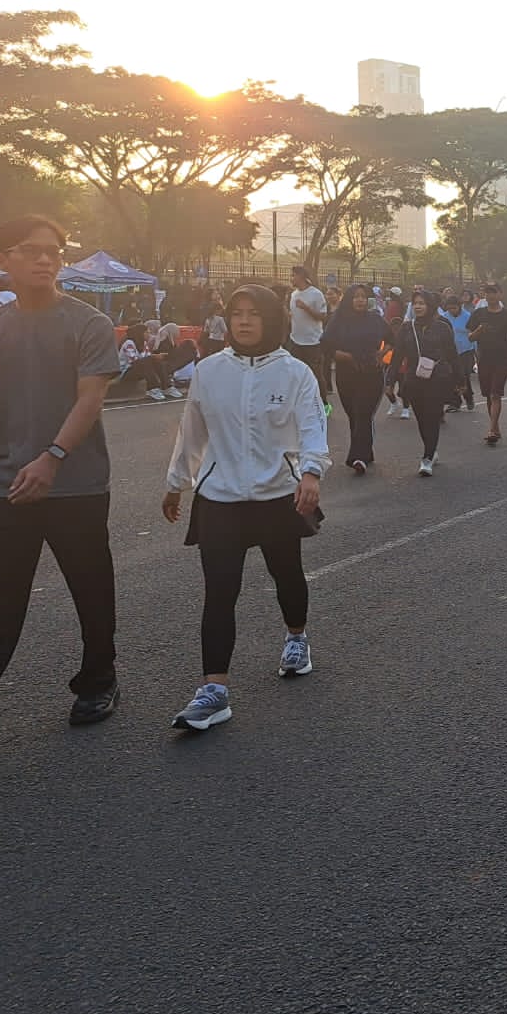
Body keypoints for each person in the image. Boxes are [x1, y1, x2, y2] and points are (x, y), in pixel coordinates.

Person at [0, 216, 122, 756]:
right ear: (2, 259)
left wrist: (52, 458)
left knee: (90, 586)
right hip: (2, 484)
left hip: (76, 484)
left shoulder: (88, 323)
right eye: (31, 250)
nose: (45, 259)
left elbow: (90, 398)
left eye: (54, 251)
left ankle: (99, 679)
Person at [160, 284, 328, 732]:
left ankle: (296, 638)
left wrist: (311, 472)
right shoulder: (209, 370)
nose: (245, 321)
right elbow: (192, 431)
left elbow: (314, 424)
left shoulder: (295, 373)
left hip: (278, 496)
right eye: (237, 313)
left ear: (272, 320)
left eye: (255, 313)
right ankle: (214, 691)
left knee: (286, 574)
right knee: (219, 591)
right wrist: (176, 483)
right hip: (220, 498)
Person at [390, 289, 459, 476]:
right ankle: (431, 450)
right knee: (421, 418)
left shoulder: (442, 327)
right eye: (415, 303)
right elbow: (397, 356)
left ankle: (427, 457)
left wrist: (459, 380)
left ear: (430, 306)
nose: (418, 306)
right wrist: (390, 380)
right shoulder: (406, 328)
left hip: (437, 378)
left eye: (422, 303)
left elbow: (452, 354)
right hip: (414, 379)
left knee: (432, 416)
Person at [323, 284, 391, 474]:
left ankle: (357, 457)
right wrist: (344, 356)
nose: (360, 300)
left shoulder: (375, 319)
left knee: (363, 412)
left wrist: (382, 353)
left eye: (363, 297)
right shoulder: (339, 320)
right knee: (354, 415)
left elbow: (392, 338)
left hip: (371, 373)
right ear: (349, 300)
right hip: (347, 374)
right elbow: (325, 345)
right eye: (356, 296)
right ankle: (366, 452)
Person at [466, 283, 507, 446]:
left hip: (502, 360)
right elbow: (470, 337)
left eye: (494, 292)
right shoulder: (478, 314)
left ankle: (491, 430)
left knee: (496, 394)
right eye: (488, 293)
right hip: (484, 360)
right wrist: (479, 331)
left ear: (500, 294)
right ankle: (495, 427)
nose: (491, 296)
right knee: (488, 394)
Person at [287, 265, 330, 411]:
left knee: (316, 374)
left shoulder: (316, 294)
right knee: (296, 374)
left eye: (293, 275)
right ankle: (300, 403)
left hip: (312, 342)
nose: (291, 278)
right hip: (295, 341)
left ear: (301, 276)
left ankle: (324, 404)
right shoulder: (293, 294)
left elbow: (323, 317)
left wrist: (306, 308)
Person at [118, 323, 176, 399]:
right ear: (140, 333)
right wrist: (153, 357)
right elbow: (134, 361)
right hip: (126, 372)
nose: (149, 335)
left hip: (139, 369)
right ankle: (152, 389)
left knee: (155, 361)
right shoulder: (129, 343)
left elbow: (148, 358)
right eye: (147, 332)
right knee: (149, 360)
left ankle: (166, 387)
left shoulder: (144, 343)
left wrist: (155, 358)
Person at [442, 294, 475, 412]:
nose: (452, 310)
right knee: (452, 376)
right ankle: (455, 402)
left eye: (454, 308)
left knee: (464, 375)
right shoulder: (444, 317)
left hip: (466, 351)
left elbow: (473, 333)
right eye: (449, 308)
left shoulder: (468, 317)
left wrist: (477, 353)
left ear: (459, 306)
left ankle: (469, 397)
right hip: (450, 352)